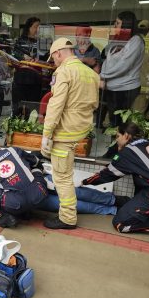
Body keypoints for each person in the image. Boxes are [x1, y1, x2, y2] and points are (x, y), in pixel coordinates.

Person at [0, 135, 129, 227]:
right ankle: (113, 200)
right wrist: (35, 172)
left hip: (26, 200)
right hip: (39, 187)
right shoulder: (13, 150)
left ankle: (111, 210)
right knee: (73, 192)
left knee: (66, 204)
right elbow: (34, 161)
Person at [81, 122, 149, 239]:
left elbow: (107, 174)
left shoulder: (128, 152)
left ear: (126, 135)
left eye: (117, 136)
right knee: (130, 208)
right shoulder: (145, 144)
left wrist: (83, 182)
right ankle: (131, 206)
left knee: (121, 224)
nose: (117, 140)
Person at [41, 37, 100, 229]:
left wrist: (47, 134)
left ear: (58, 52)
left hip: (64, 133)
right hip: (80, 130)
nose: (54, 62)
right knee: (66, 172)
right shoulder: (89, 72)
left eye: (54, 58)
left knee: (62, 177)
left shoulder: (64, 71)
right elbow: (94, 104)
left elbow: (55, 105)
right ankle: (67, 214)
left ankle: (67, 218)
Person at [100, 11, 145, 128]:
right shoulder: (118, 39)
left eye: (117, 23)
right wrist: (102, 75)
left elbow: (123, 65)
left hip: (125, 89)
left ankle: (119, 146)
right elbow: (107, 61)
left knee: (120, 124)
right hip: (112, 88)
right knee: (113, 122)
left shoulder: (136, 41)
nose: (115, 26)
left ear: (126, 24)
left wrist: (103, 75)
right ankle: (114, 145)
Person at [12, 17, 45, 114]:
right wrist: (22, 57)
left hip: (35, 79)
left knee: (33, 109)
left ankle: (30, 127)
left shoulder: (41, 42)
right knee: (17, 108)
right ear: (29, 28)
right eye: (35, 27)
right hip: (21, 80)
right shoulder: (20, 41)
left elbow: (46, 59)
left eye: (39, 27)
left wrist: (40, 61)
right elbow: (13, 56)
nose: (37, 29)